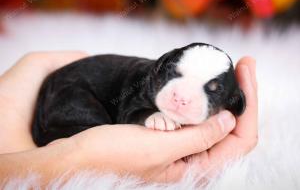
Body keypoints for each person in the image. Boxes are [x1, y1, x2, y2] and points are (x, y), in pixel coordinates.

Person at [0, 51, 258, 186]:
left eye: (211, 89)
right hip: (74, 95)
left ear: (233, 102)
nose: (182, 96)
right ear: (160, 68)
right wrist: (75, 158)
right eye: (175, 75)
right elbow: (129, 112)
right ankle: (55, 138)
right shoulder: (145, 84)